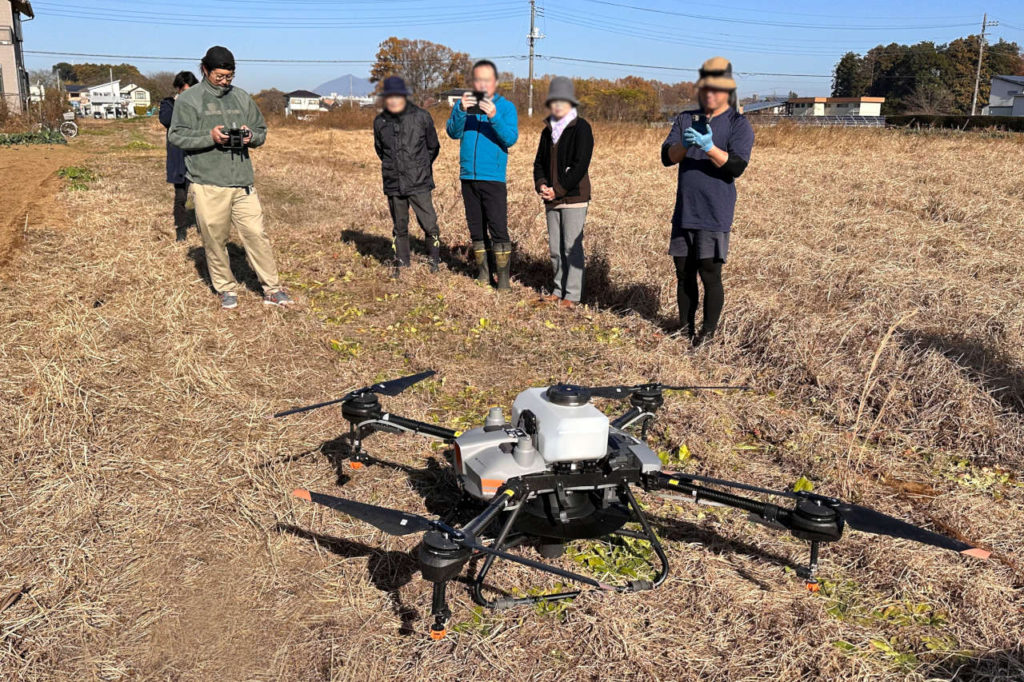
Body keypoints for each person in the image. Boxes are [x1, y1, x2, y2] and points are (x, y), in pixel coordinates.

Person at [168, 46, 293, 310]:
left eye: (230, 76)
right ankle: (226, 288)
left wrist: (251, 136)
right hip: (208, 182)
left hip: (243, 182)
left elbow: (261, 131)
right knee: (214, 239)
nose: (225, 81)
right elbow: (176, 136)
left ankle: (272, 289)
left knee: (256, 234)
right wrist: (210, 137)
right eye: (220, 76)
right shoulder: (189, 100)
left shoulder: (241, 97)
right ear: (205, 70)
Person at [661, 57, 754, 346]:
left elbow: (736, 167)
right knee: (683, 273)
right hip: (684, 211)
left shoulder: (739, 124)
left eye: (716, 88)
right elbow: (667, 157)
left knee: (710, 274)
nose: (709, 94)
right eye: (705, 88)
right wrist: (685, 144)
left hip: (715, 212)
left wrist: (709, 147)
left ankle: (707, 335)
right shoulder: (685, 119)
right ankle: (685, 330)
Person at [445, 59, 519, 289]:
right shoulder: (464, 107)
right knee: (476, 229)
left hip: (493, 177)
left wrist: (494, 116)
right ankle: (484, 275)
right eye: (478, 80)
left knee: (498, 228)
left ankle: (503, 280)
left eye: (487, 80)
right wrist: (460, 110)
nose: (482, 84)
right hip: (468, 176)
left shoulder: (506, 108)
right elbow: (452, 132)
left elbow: (510, 138)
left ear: (495, 82)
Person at [532, 77, 594, 309]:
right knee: (555, 249)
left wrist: (557, 190)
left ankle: (573, 295)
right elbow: (539, 163)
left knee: (571, 247)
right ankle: (558, 290)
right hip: (551, 198)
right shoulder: (546, 131)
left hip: (574, 197)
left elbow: (580, 165)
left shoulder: (581, 128)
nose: (558, 105)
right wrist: (541, 185)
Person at [372, 76, 441, 275]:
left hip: (419, 181)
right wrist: (394, 167)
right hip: (393, 182)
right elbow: (380, 150)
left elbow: (433, 147)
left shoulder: (421, 116)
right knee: (399, 226)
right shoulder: (380, 121)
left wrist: (420, 167)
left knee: (429, 224)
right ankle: (402, 263)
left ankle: (434, 261)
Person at [159, 71, 199, 242]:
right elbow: (166, 120)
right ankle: (180, 229)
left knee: (202, 196)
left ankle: (204, 226)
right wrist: (180, 104)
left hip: (198, 155)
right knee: (181, 196)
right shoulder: (168, 104)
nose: (187, 95)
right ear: (178, 89)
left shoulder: (200, 105)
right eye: (184, 92)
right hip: (178, 156)